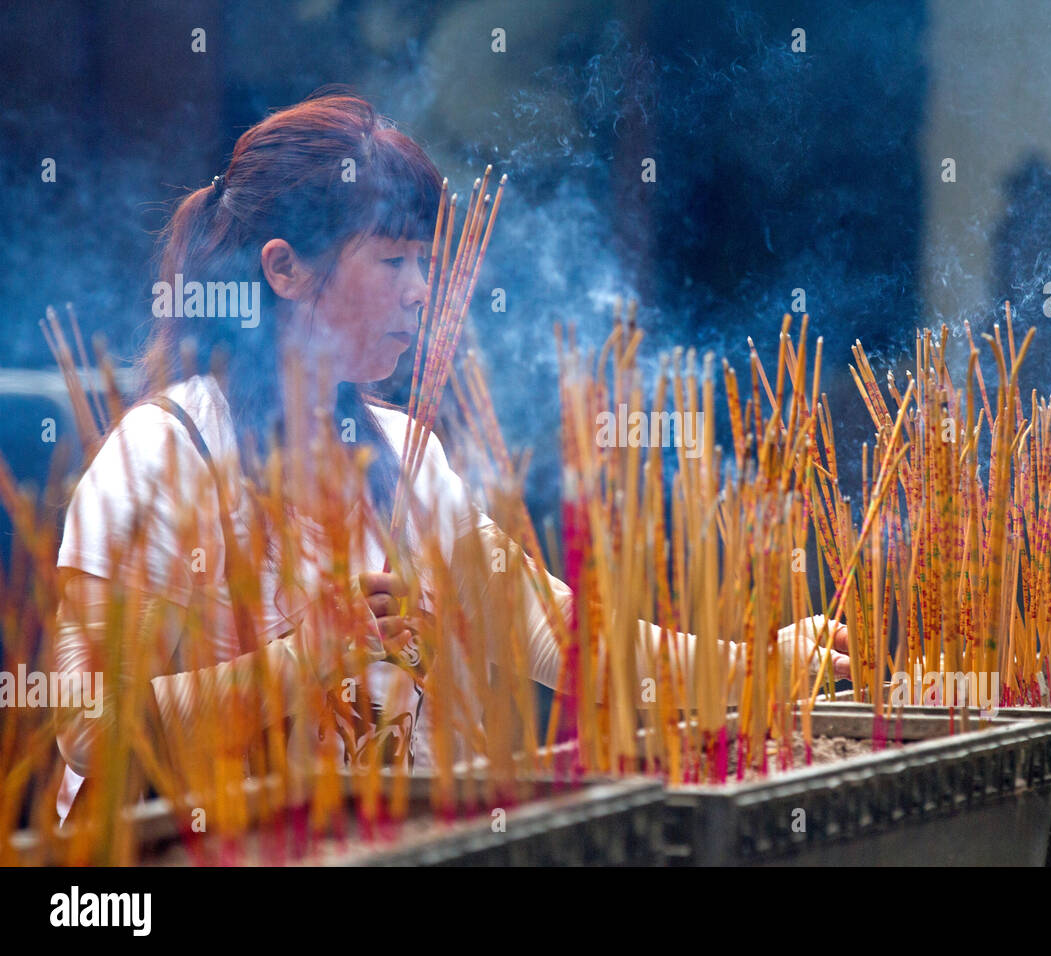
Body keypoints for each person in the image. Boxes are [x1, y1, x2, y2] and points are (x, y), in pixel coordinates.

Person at [52, 89, 850, 822]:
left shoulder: (404, 456)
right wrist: (307, 656)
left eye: (425, 261)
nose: (420, 290)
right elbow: (89, 731)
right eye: (393, 259)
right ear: (284, 268)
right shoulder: (163, 458)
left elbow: (557, 635)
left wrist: (752, 667)